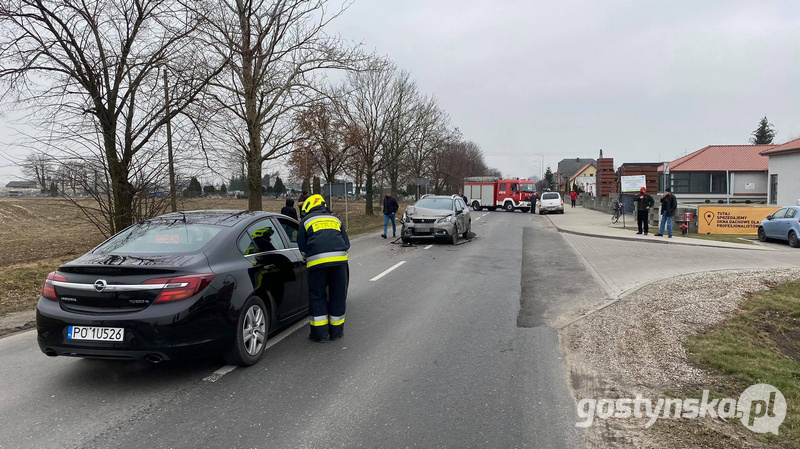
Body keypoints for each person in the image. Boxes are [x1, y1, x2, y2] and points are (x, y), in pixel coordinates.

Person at [298, 194, 350, 342]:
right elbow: (346, 244)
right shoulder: (335, 220)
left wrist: (307, 260)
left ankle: (320, 335)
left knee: (317, 297)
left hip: (317, 265)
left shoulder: (306, 221)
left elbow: (302, 247)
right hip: (339, 264)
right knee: (337, 296)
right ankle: (336, 332)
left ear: (308, 208)